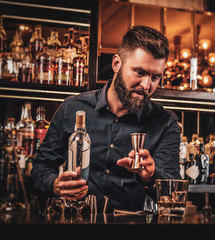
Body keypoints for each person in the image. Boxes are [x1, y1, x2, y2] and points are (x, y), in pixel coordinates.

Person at [31, 25, 181, 213]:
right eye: (140, 72)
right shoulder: (72, 108)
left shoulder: (165, 123)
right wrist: (54, 184)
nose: (146, 85)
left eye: (156, 77)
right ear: (116, 64)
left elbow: (174, 192)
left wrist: (151, 176)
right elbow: (41, 166)